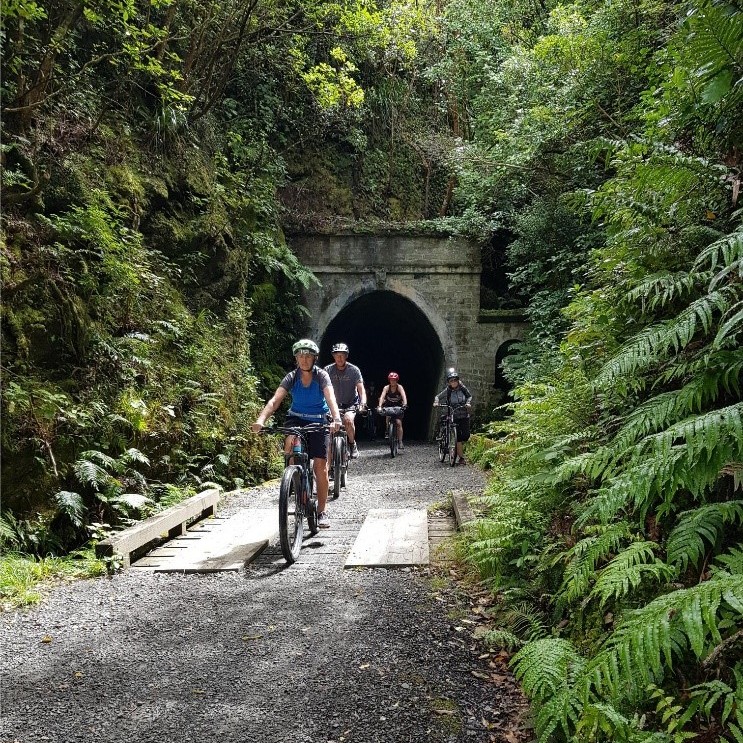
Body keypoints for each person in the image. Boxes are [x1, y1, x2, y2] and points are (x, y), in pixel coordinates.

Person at [252, 339, 341, 528]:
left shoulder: (321, 376)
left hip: (318, 419)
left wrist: (336, 419)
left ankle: (322, 511)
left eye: (308, 356)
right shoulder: (291, 377)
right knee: (291, 442)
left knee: (320, 466)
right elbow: (275, 401)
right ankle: (294, 477)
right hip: (296, 417)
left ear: (314, 358)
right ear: (296, 358)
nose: (304, 359)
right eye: (300, 356)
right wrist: (261, 420)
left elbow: (330, 397)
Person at [324, 342, 367, 459]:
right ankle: (331, 458)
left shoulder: (354, 370)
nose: (339, 358)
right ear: (333, 356)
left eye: (342, 355)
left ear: (346, 356)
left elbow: (361, 389)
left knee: (348, 420)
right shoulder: (327, 370)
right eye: (337, 355)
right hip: (333, 405)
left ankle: (352, 444)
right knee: (329, 428)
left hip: (350, 404)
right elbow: (320, 388)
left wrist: (363, 403)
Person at [433, 368, 472, 465]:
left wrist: (468, 403)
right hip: (453, 414)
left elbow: (469, 396)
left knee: (466, 435)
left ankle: (458, 450)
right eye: (451, 381)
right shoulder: (448, 390)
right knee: (457, 437)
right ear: (449, 382)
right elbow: (438, 396)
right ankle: (461, 458)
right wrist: (436, 402)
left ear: (458, 380)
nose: (454, 382)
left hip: (463, 413)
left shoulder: (462, 388)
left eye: (455, 380)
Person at [377, 372, 408, 449]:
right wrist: (380, 406)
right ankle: (388, 430)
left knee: (398, 423)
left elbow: (404, 396)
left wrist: (405, 404)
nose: (392, 381)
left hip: (398, 407)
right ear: (389, 380)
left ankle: (400, 442)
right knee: (387, 417)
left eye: (394, 380)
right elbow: (382, 397)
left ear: (396, 380)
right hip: (389, 406)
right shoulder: (386, 388)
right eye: (391, 380)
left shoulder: (399, 387)